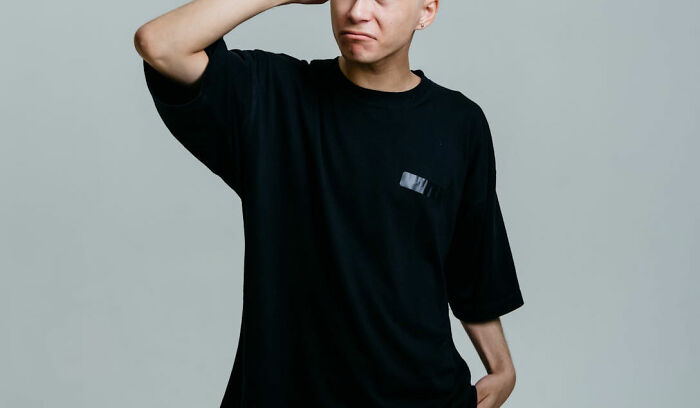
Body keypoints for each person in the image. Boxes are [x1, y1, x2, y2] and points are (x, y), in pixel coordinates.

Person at [134, 0, 524, 406]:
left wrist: (502, 368)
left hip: (421, 394)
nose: (357, 11)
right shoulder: (272, 96)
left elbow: (471, 268)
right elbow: (159, 43)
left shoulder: (459, 123)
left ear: (426, 11)